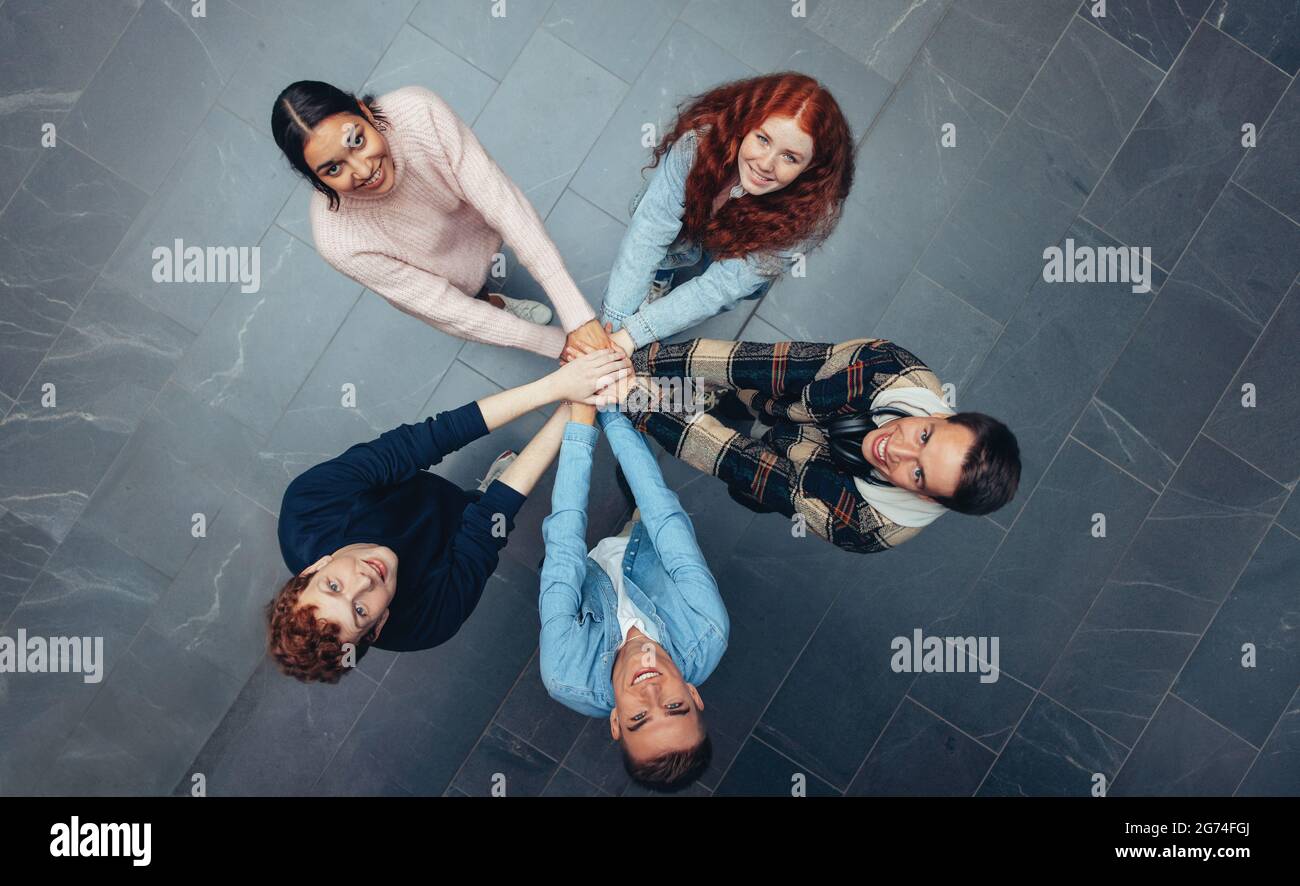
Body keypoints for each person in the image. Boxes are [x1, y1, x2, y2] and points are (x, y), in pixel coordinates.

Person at [267, 349, 631, 683]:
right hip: (454, 537)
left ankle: (485, 489)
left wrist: (557, 385)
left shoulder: (308, 507)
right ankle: (491, 487)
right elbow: (490, 521)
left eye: (333, 586)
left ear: (314, 568)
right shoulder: (430, 621)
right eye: (360, 611)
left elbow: (431, 438)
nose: (363, 581)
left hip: (413, 493)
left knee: (463, 491)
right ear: (378, 627)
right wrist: (576, 405)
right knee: (485, 511)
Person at [571, 334, 1021, 553]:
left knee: (745, 485)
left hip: (791, 470)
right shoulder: (884, 365)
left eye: (917, 473)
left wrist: (631, 396)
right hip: (789, 399)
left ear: (924, 497)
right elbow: (754, 362)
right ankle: (707, 399)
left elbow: (730, 457)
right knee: (742, 393)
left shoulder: (866, 526)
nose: (896, 449)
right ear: (940, 414)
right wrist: (627, 361)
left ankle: (685, 405)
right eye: (924, 435)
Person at [271, 80, 613, 359]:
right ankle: (497, 303)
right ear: (315, 180)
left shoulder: (419, 112)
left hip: (472, 216)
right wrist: (555, 344)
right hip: (439, 269)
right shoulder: (339, 242)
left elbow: (503, 203)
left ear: (363, 110)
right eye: (333, 168)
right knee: (473, 297)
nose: (364, 170)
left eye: (357, 141)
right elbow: (441, 306)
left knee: (503, 229)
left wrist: (577, 315)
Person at [539, 393, 728, 793]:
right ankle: (660, 411)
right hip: (645, 544)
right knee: (644, 498)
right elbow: (663, 511)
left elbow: (565, 542)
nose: (651, 691)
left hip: (583, 573)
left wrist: (582, 416)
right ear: (693, 695)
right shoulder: (707, 628)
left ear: (614, 721)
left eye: (639, 718)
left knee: (558, 565)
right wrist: (606, 401)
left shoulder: (565, 674)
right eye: (674, 707)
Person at [588, 72, 854, 355]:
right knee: (663, 250)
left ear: (810, 168)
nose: (765, 163)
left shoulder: (807, 219)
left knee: (713, 281)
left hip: (736, 252)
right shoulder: (698, 145)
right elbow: (650, 231)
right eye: (763, 138)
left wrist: (632, 336)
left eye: (790, 157)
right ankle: (660, 280)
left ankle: (662, 301)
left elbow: (718, 288)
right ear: (745, 125)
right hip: (684, 229)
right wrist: (614, 328)